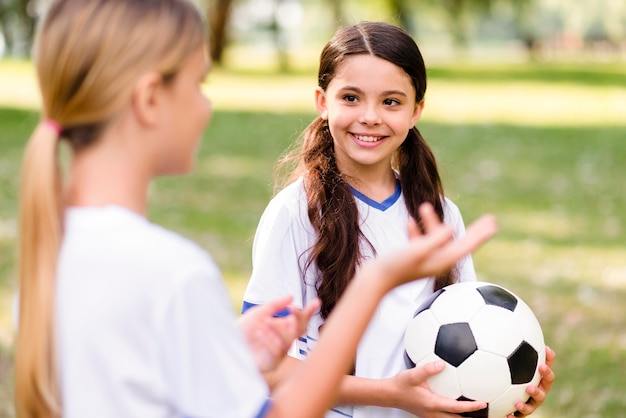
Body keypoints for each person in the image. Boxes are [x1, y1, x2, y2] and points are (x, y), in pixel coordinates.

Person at [13, 2, 498, 418]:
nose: (206, 106)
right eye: (198, 83)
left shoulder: (50, 255)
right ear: (150, 99)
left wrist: (232, 349)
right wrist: (374, 283)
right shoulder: (175, 275)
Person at [242, 21, 555, 418]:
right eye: (351, 97)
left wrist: (501, 394)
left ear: (416, 111)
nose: (370, 117)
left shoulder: (441, 216)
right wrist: (391, 394)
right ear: (323, 101)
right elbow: (265, 369)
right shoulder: (294, 214)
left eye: (391, 102)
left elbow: (466, 348)